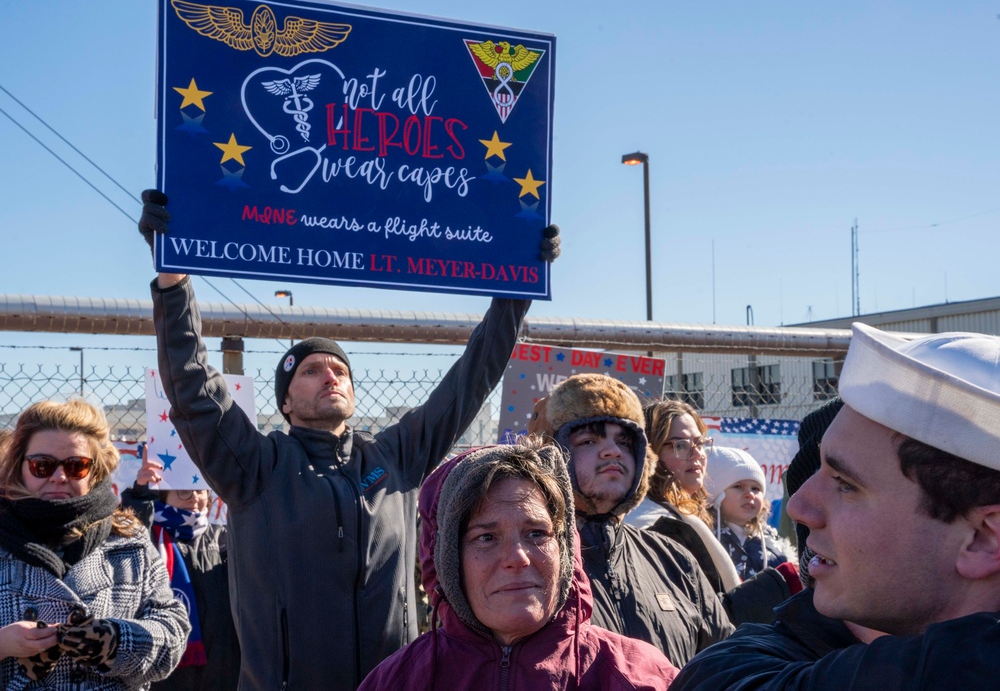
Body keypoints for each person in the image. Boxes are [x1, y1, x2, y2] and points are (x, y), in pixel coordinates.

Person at [137, 189, 560, 689]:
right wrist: (173, 278)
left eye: (339, 370)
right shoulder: (254, 465)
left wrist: (516, 289)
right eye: (312, 371)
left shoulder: (393, 457)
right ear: (287, 403)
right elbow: (193, 387)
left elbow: (469, 382)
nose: (330, 377)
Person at [672, 323, 1000, 689]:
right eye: (820, 468)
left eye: (846, 485)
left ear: (983, 538)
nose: (798, 507)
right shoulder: (739, 671)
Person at [359, 440, 678, 690]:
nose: (517, 557)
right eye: (486, 537)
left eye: (537, 533)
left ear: (565, 549)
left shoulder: (638, 676)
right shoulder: (399, 680)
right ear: (450, 560)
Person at [544, 374, 734, 666]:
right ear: (554, 454)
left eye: (624, 441)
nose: (613, 450)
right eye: (589, 440)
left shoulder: (675, 559)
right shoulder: (530, 564)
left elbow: (726, 666)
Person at [0, 399, 190, 689]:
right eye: (42, 466)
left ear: (96, 471)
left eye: (76, 466)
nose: (59, 477)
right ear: (20, 467)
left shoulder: (130, 540)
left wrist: (115, 641)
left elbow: (173, 633)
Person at [120, 458, 240, 690]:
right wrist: (140, 492)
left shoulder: (227, 538)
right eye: (184, 491)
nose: (195, 497)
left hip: (223, 668)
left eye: (200, 490)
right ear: (163, 496)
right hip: (166, 676)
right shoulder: (149, 538)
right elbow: (130, 531)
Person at [626, 400, 742, 594]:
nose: (696, 454)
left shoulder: (681, 513)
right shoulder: (652, 523)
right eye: (680, 445)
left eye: (700, 443)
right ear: (649, 452)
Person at [703, 446, 793, 581]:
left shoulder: (772, 541)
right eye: (738, 487)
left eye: (756, 489)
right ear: (716, 495)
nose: (750, 494)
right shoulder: (705, 537)